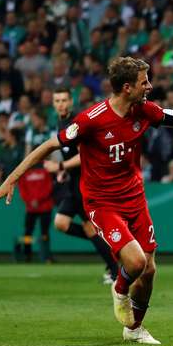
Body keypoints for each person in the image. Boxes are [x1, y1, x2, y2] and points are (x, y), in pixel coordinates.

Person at [0, 57, 173, 344]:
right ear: (127, 87)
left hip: (134, 198)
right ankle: (120, 289)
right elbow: (49, 145)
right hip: (102, 203)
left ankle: (134, 328)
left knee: (149, 270)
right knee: (135, 263)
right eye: (143, 82)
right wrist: (11, 178)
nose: (149, 86)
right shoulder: (90, 120)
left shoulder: (145, 110)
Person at [42, 90, 119, 284]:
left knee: (89, 228)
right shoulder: (60, 123)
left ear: (71, 101)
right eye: (57, 100)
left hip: (85, 184)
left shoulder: (75, 124)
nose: (61, 104)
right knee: (62, 223)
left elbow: (83, 155)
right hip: (73, 183)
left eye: (64, 100)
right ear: (53, 103)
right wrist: (65, 171)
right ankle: (111, 251)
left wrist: (59, 166)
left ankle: (115, 269)